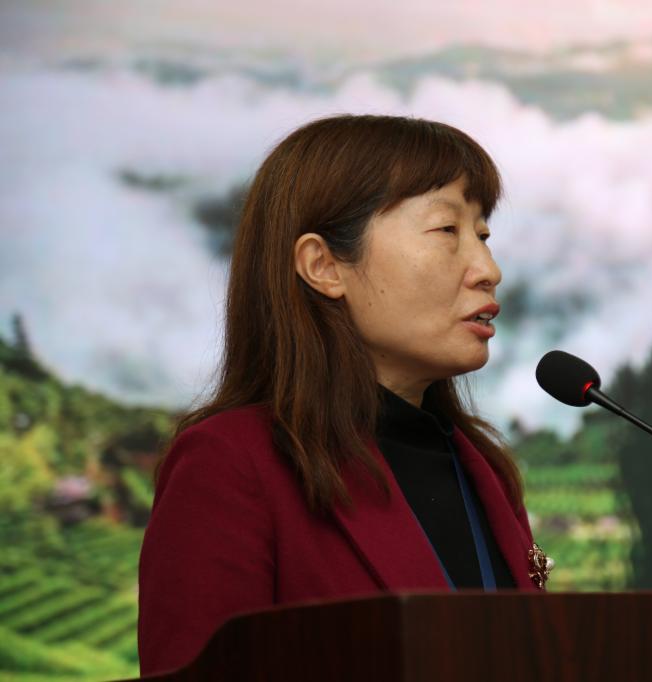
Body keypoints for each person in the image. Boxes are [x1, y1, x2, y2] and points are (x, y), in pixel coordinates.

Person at [136, 114, 551, 676]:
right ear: (324, 266)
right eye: (446, 230)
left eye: (482, 235)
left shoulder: (485, 470)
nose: (488, 269)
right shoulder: (231, 465)